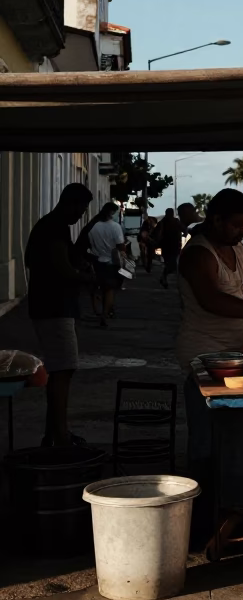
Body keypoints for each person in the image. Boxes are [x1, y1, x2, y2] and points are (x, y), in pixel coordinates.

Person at [176, 188, 243, 368]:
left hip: (240, 349)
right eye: (237, 225)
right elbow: (212, 300)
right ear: (218, 220)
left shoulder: (240, 249)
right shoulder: (198, 253)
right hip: (204, 352)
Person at [24, 183, 94, 448]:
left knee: (59, 370)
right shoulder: (54, 228)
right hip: (54, 308)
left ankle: (54, 433)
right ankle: (60, 436)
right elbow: (62, 269)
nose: (81, 215)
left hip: (49, 306)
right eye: (82, 208)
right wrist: (85, 277)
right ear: (71, 204)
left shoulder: (49, 226)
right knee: (63, 370)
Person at [88, 202, 127, 325]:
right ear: (112, 213)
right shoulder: (115, 227)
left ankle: (98, 311)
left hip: (96, 261)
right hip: (111, 262)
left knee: (97, 287)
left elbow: (90, 243)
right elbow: (120, 246)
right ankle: (105, 314)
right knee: (109, 289)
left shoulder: (94, 227)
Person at [156, 207, 183, 288]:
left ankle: (163, 277)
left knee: (171, 264)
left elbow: (183, 229)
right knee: (171, 264)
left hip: (173, 246)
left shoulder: (174, 221)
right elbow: (157, 234)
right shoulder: (163, 222)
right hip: (168, 246)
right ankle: (163, 277)